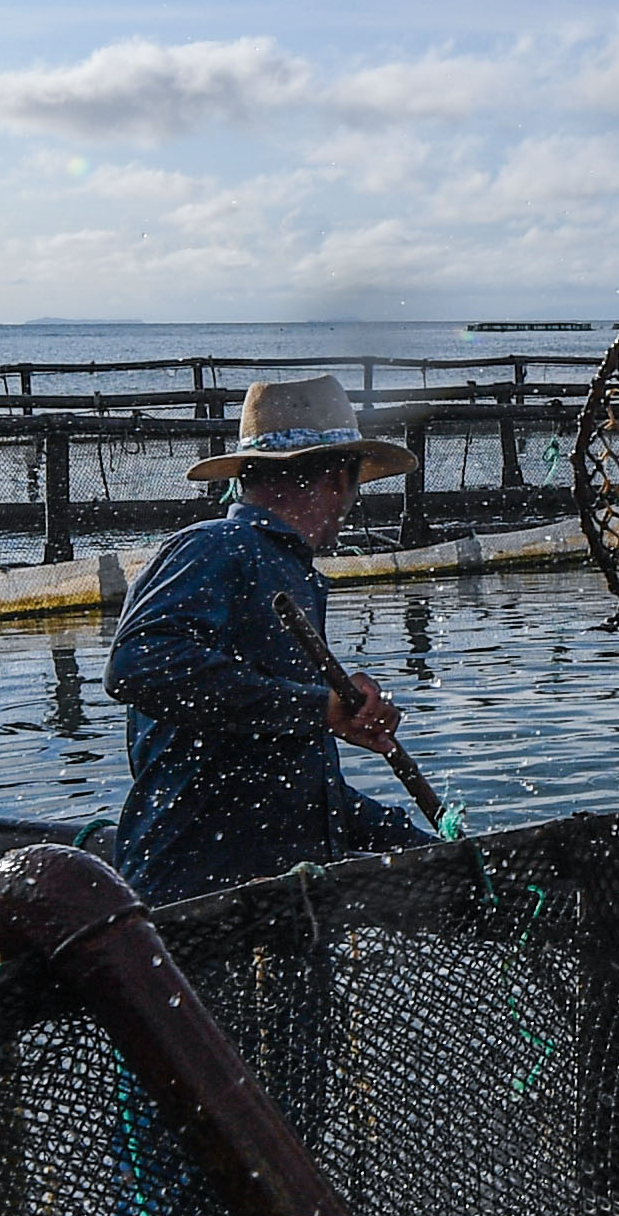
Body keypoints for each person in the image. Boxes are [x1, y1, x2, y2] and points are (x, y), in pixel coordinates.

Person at [103, 375, 430, 903]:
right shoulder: (217, 546)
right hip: (195, 898)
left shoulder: (292, 573)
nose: (351, 503)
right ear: (335, 478)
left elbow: (292, 782)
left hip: (278, 893)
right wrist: (319, 707)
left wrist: (421, 848)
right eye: (355, 483)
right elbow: (137, 665)